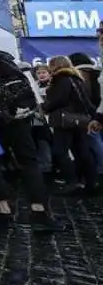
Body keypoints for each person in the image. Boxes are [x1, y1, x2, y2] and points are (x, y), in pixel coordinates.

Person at [0, 20, 62, 230]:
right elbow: (26, 88)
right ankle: (39, 212)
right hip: (14, 119)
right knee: (28, 161)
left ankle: (4, 209)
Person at [43, 55, 98, 195]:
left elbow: (58, 100)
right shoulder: (77, 78)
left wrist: (45, 106)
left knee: (60, 151)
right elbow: (86, 101)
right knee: (82, 152)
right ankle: (91, 182)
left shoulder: (60, 79)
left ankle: (72, 183)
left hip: (64, 120)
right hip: (80, 120)